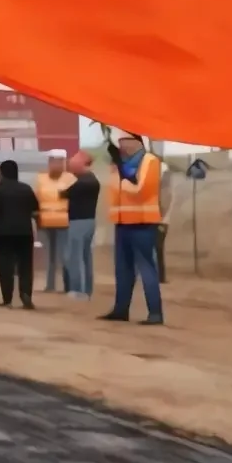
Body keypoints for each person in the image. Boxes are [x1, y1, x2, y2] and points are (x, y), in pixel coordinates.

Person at [98, 130, 165, 325]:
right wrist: (118, 168)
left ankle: (155, 313)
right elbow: (114, 190)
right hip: (122, 222)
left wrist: (123, 174)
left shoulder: (149, 161)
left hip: (142, 222)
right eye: (119, 142)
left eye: (125, 141)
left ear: (137, 142)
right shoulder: (120, 164)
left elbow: (141, 190)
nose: (122, 146)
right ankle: (121, 309)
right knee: (123, 269)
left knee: (146, 269)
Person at [0, 159, 40, 308]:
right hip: (24, 232)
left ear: (2, 173)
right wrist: (37, 226)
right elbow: (36, 213)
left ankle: (7, 299)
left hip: (2, 233)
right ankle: (26, 294)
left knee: (5, 265)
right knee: (25, 265)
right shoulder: (26, 189)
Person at [60, 151, 101, 300]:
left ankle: (78, 290)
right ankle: (86, 289)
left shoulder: (83, 181)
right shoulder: (89, 180)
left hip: (79, 222)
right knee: (85, 256)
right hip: (88, 221)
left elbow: (63, 194)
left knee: (75, 257)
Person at [35, 149, 73, 292]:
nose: (56, 165)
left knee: (64, 256)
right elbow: (36, 199)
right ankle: (50, 285)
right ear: (49, 163)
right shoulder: (41, 178)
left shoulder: (70, 179)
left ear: (63, 163)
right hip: (45, 223)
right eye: (53, 162)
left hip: (64, 222)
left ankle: (68, 286)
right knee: (49, 256)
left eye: (59, 162)